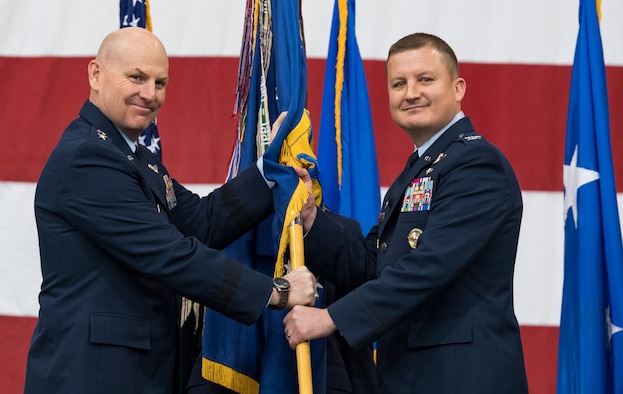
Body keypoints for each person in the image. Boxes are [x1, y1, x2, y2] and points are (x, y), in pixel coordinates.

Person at [24, 27, 317, 394]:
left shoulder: (135, 159)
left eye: (159, 82)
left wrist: (270, 173)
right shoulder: (86, 158)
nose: (149, 93)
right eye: (136, 77)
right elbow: (170, 254)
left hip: (138, 374)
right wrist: (276, 292)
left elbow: (200, 222)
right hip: (93, 377)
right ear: (95, 74)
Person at [283, 32, 529, 393]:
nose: (411, 92)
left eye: (425, 79)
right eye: (399, 83)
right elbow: (373, 266)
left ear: (458, 87)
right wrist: (310, 218)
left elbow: (429, 267)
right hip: (414, 376)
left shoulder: (477, 164)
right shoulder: (421, 168)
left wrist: (330, 318)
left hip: (461, 378)